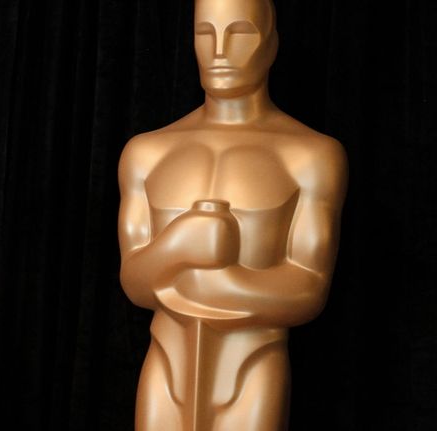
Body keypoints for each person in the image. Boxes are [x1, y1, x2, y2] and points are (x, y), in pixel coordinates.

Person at [117, 0, 347, 429]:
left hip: (253, 363)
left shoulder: (311, 156)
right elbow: (134, 282)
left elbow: (310, 289)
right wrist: (177, 245)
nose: (219, 50)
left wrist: (220, 280)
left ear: (272, 43)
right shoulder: (147, 152)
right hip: (166, 360)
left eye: (240, 32)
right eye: (205, 34)